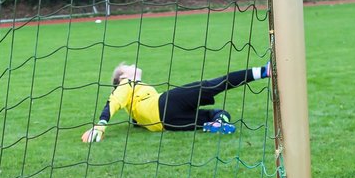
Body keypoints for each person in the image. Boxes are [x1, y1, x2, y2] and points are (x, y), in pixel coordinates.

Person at [82, 61, 270, 142]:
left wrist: (137, 122)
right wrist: (100, 125)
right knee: (214, 85)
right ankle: (263, 71)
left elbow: (136, 119)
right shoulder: (126, 83)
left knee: (219, 113)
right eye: (128, 66)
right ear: (122, 76)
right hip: (165, 103)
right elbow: (114, 101)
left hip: (168, 124)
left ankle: (217, 124)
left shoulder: (133, 101)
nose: (133, 66)